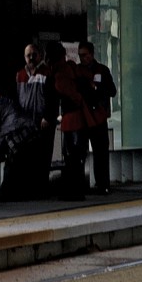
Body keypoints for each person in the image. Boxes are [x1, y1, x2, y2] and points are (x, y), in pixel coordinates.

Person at [45, 41, 90, 200]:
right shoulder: (71, 68)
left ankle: (74, 190)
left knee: (71, 155)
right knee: (76, 155)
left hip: (71, 118)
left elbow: (71, 95)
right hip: (78, 117)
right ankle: (76, 189)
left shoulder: (60, 74)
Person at [11, 42, 56, 199]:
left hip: (41, 122)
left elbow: (52, 99)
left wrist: (48, 117)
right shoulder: (19, 75)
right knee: (27, 156)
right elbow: (16, 99)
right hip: (25, 123)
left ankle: (41, 189)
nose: (31, 58)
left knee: (42, 157)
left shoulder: (46, 74)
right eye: (28, 55)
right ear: (24, 57)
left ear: (40, 55)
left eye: (34, 54)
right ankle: (28, 189)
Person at [76, 41, 117, 195]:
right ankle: (82, 184)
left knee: (101, 152)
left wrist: (97, 88)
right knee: (80, 152)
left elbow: (112, 91)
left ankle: (103, 184)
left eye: (85, 55)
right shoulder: (78, 71)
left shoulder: (102, 70)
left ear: (92, 55)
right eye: (80, 56)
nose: (82, 58)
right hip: (83, 117)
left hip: (98, 116)